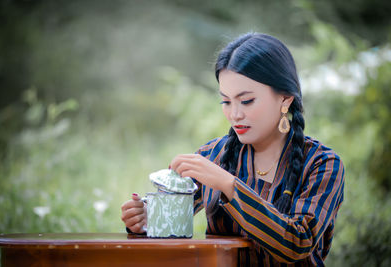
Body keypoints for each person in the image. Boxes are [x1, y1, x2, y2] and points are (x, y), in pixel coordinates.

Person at [121, 32, 345, 266]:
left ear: (285, 99)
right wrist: (146, 218)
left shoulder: (322, 163)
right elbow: (173, 222)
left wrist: (227, 184)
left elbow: (297, 243)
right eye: (226, 101)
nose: (235, 115)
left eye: (246, 101)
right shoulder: (212, 155)